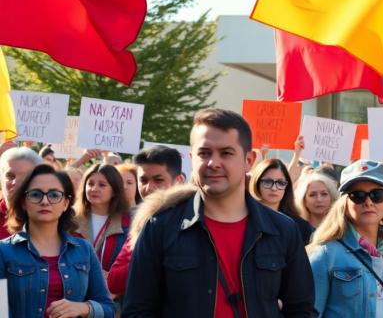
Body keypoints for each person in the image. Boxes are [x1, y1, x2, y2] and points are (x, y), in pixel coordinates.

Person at [122, 108, 316, 317]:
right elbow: (138, 311)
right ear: (192, 159)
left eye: (226, 153)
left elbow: (301, 310)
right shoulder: (159, 227)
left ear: (249, 160)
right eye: (204, 153)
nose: (213, 163)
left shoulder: (283, 230)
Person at [307, 160, 383, 317]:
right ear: (345, 205)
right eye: (358, 196)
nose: (368, 202)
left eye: (377, 195)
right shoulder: (325, 255)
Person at [0, 164, 115, 318]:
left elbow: (108, 309)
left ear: (66, 203)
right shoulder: (4, 251)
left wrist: (83, 308)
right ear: (23, 202)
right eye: (35, 194)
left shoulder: (84, 250)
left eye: (54, 195)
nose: (45, 201)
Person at [107, 144, 186, 296]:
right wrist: (150, 254)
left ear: (179, 180)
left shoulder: (196, 219)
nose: (149, 188)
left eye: (158, 180)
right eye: (143, 180)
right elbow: (115, 281)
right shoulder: (143, 220)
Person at [73, 164, 131, 277]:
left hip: (110, 287)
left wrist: (113, 277)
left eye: (102, 185)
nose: (94, 189)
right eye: (90, 184)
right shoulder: (70, 219)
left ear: (114, 191)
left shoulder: (128, 223)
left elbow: (133, 262)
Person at [249, 157, 314, 245]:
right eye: (267, 182)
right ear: (256, 184)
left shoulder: (300, 226)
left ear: (286, 187)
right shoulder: (243, 221)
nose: (274, 188)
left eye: (280, 183)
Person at [0, 147, 44, 239]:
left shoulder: (53, 216)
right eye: (10, 176)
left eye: (25, 176)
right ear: (1, 181)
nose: (16, 182)